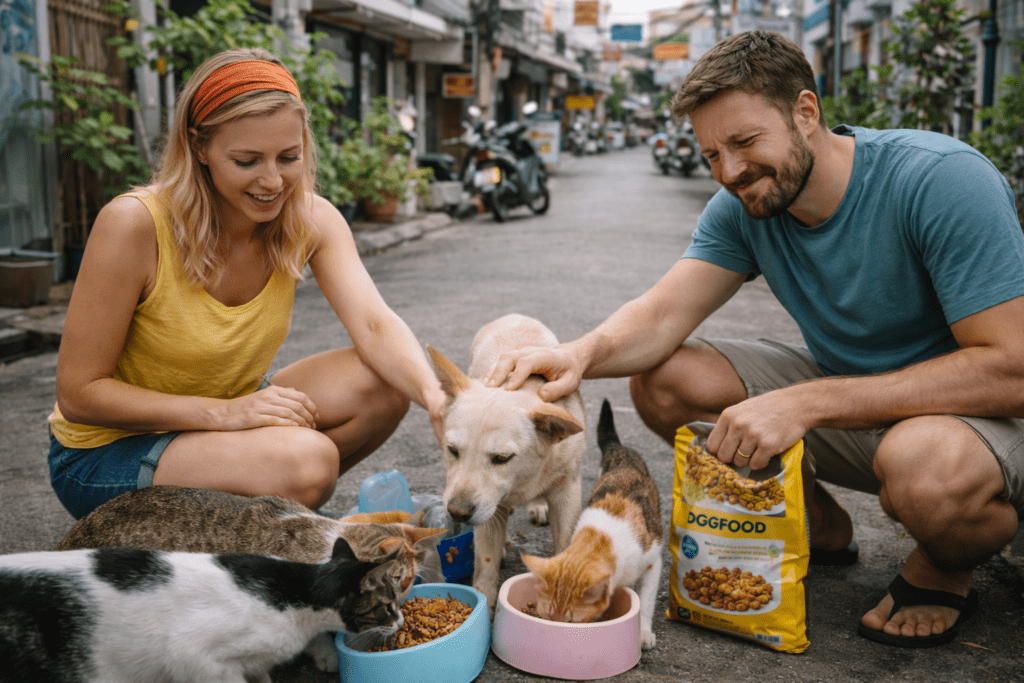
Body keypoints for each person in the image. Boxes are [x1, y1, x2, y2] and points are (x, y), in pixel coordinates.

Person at [482, 30, 1024, 648]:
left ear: (806, 111)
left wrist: (807, 402)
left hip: (975, 418)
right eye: (712, 154)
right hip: (860, 403)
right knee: (664, 380)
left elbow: (1012, 369)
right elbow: (662, 315)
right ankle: (819, 526)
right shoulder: (743, 204)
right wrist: (578, 354)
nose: (730, 171)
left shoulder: (941, 181)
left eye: (744, 142)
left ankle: (948, 566)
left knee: (924, 470)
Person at [49, 47, 446, 520]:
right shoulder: (133, 225)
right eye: (247, 161)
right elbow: (79, 393)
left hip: (225, 418)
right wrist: (224, 415)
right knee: (310, 463)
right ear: (199, 147)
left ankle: (261, 513)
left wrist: (437, 398)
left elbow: (375, 324)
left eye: (288, 156)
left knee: (385, 385)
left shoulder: (311, 219)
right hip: (105, 454)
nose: (273, 181)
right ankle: (279, 495)